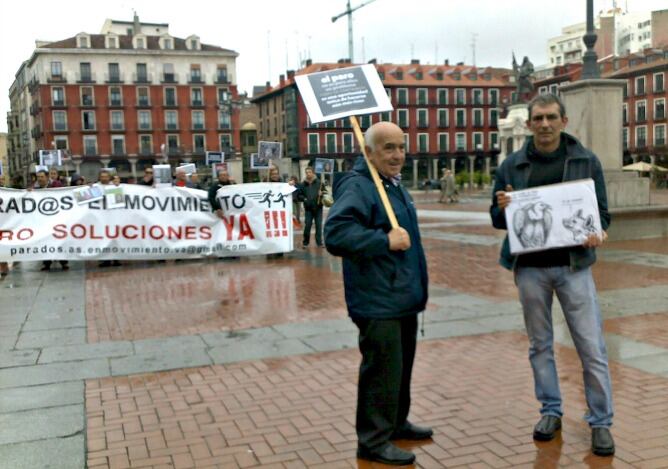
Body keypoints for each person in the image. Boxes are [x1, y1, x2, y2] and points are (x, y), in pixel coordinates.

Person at [490, 93, 614, 457]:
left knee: (590, 345)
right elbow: (497, 219)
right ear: (528, 124)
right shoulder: (511, 165)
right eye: (538, 118)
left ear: (564, 121)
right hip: (530, 269)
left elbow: (602, 215)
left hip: (574, 266)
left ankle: (602, 421)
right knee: (539, 345)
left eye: (550, 117)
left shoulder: (585, 160)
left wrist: (598, 232)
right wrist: (500, 208)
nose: (544, 124)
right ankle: (550, 411)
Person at [324, 122, 431, 466]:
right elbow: (336, 234)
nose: (397, 154)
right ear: (368, 152)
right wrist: (384, 240)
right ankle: (372, 441)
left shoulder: (391, 185)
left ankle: (396, 422)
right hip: (377, 299)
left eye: (401, 146)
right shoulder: (359, 187)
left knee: (400, 367)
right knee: (382, 370)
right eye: (388, 148)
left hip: (401, 295)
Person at [34, 170, 69, 271]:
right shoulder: (35, 188)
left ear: (47, 177)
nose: (39, 179)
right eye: (38, 177)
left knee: (59, 240)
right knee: (45, 241)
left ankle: (63, 262)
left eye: (41, 177)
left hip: (57, 218)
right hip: (43, 220)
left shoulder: (56, 186)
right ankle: (46, 263)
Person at [298, 167, 323, 248]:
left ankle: (319, 243)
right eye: (307, 172)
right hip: (308, 208)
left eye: (309, 172)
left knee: (318, 225)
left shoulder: (319, 183)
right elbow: (299, 195)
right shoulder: (303, 184)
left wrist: (321, 194)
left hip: (318, 207)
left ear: (313, 173)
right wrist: (304, 199)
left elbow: (326, 193)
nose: (308, 174)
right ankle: (305, 242)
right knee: (308, 225)